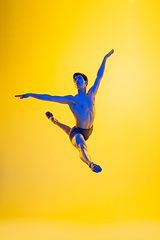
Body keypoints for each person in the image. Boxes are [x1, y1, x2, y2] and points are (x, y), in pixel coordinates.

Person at [15, 49, 114, 173]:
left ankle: (54, 121)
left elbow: (99, 76)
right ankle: (91, 164)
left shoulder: (92, 93)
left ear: (85, 82)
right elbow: (50, 97)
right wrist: (31, 94)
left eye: (78, 78)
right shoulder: (71, 99)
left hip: (88, 130)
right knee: (80, 144)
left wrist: (105, 58)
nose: (76, 80)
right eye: (74, 80)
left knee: (71, 131)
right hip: (78, 132)